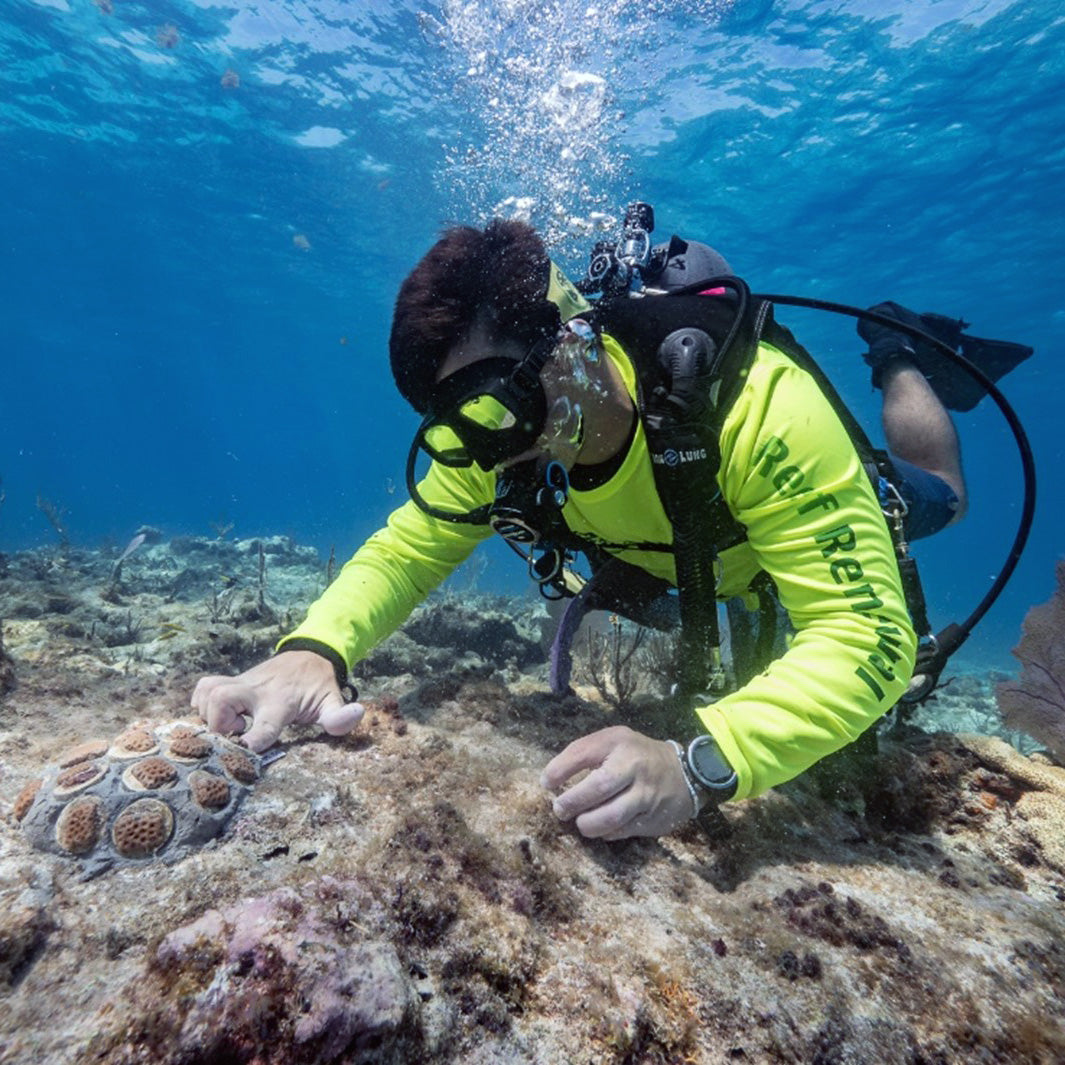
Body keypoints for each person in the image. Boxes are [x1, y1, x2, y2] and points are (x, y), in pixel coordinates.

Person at [192, 217, 1017, 841]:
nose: (491, 445)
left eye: (494, 406)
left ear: (572, 336)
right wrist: (315, 648)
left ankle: (899, 351)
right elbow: (411, 545)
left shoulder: (757, 410)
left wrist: (699, 760)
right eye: (457, 425)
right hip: (695, 563)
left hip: (801, 509)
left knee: (942, 493)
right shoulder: (498, 438)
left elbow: (868, 636)